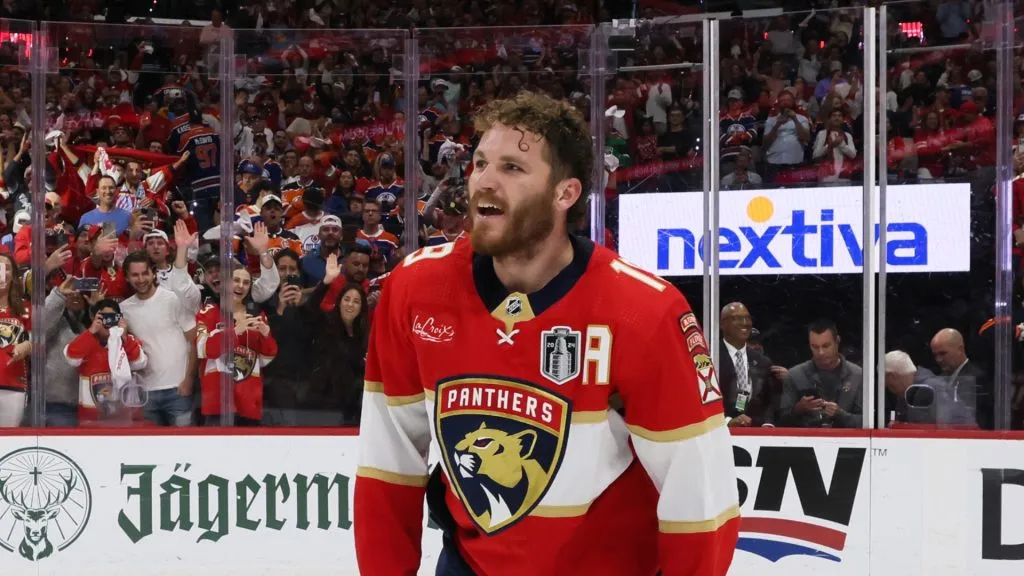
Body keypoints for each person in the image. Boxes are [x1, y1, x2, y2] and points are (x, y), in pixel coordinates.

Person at [354, 92, 739, 576]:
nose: (483, 181)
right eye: (479, 162)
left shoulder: (644, 311)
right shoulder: (415, 288)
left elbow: (700, 496)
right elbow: (388, 461)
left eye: (512, 168)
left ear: (566, 194)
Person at [119, 252, 197, 427]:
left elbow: (194, 341)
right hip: (146, 393)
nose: (141, 279)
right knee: (151, 452)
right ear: (127, 277)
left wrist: (189, 379)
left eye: (145, 273)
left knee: (184, 449)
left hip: (178, 389)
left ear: (153, 273)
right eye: (135, 275)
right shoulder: (123, 309)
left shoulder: (173, 299)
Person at [0, 253, 30, 427]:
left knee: (8, 441)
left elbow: (38, 339)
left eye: (7, 268)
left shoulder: (24, 307)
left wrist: (29, 344)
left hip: (13, 385)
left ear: (13, 275)